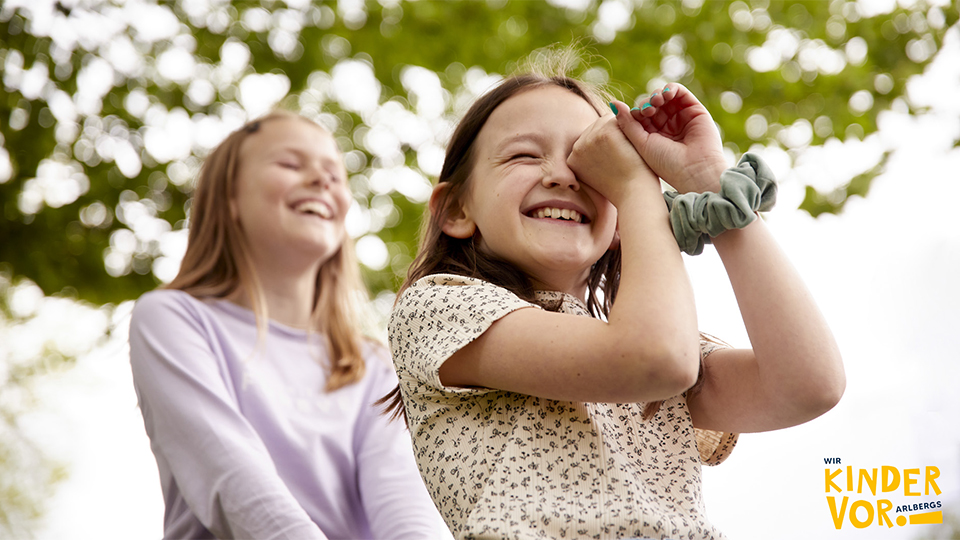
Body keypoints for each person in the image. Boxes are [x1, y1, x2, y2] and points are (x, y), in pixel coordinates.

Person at [382, 53, 845, 539]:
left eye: (589, 164)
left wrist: (710, 185)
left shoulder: (660, 339)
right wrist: (634, 185)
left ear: (621, 224)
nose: (562, 176)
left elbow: (808, 385)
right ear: (456, 209)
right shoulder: (439, 308)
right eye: (523, 154)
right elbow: (657, 359)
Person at [129, 111, 450, 540]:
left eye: (335, 175)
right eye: (291, 164)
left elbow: (404, 502)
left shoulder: (371, 363)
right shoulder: (173, 318)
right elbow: (231, 479)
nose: (322, 181)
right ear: (231, 198)